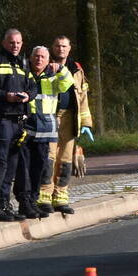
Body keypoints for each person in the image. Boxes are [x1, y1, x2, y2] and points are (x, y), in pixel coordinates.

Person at [0, 29, 37, 222]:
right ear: (4, 42)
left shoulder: (23, 63)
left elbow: (33, 87)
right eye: (11, 42)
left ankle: (5, 204)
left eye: (18, 43)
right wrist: (4, 96)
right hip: (1, 118)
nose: (15, 46)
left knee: (12, 164)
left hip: (18, 120)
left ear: (22, 44)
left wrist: (27, 96)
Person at [18, 46, 74, 218]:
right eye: (36, 56)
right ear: (30, 57)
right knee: (24, 169)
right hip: (26, 128)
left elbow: (67, 84)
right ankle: (26, 203)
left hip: (45, 129)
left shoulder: (53, 77)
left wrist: (62, 69)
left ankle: (35, 202)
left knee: (41, 168)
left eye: (43, 57)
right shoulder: (23, 74)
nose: (39, 59)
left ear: (49, 60)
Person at [40, 35, 94, 215]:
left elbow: (83, 97)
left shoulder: (76, 69)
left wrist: (86, 122)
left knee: (65, 159)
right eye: (57, 46)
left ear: (69, 49)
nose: (60, 49)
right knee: (48, 158)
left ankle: (61, 197)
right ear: (52, 48)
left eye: (64, 46)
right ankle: (44, 197)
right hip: (51, 117)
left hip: (71, 118)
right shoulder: (45, 65)